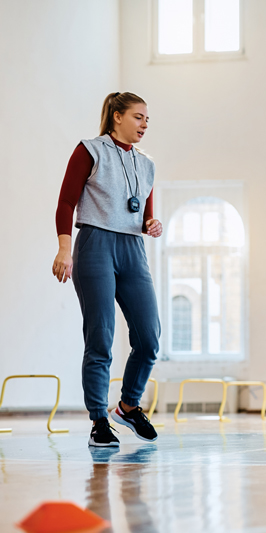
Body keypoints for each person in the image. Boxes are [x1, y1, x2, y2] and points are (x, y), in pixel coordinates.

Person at [53, 92, 161, 447]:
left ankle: (128, 406)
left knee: (149, 338)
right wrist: (64, 249)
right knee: (100, 338)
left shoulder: (146, 164)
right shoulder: (90, 150)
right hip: (95, 245)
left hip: (132, 250)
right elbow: (66, 202)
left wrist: (152, 224)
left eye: (147, 119)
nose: (144, 125)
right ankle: (99, 419)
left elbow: (144, 214)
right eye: (138, 117)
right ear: (117, 116)